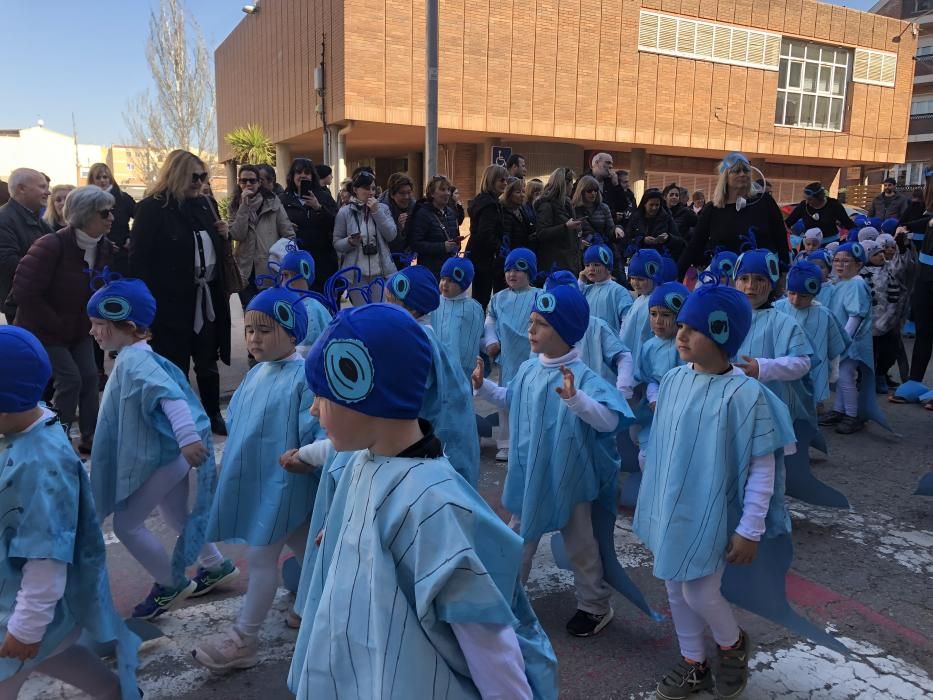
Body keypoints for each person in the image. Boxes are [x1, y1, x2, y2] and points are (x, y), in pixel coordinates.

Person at [289, 303, 557, 700]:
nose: (313, 409)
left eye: (322, 395)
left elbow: (483, 631)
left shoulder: (431, 501)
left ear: (366, 393)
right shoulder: (364, 461)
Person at [633, 279, 795, 700]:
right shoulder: (672, 380)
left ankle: (732, 644)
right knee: (673, 583)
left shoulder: (746, 394)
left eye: (694, 328)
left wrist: (750, 528)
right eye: (681, 324)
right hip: (673, 508)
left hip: (715, 512)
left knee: (699, 590)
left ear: (723, 333)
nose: (680, 334)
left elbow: (763, 467)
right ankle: (693, 663)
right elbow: (665, 444)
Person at [473, 283, 633, 637]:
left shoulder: (584, 378)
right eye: (532, 322)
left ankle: (594, 606)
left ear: (564, 331)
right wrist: (484, 387)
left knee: (581, 545)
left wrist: (577, 400)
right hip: (531, 475)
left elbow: (609, 421)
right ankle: (508, 598)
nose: (530, 330)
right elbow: (509, 397)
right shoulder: (530, 369)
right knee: (519, 538)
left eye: (540, 324)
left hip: (570, 477)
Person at [0, 327, 139, 700]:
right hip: (22, 600)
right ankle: (116, 693)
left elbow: (46, 555)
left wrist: (26, 628)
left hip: (21, 608)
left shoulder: (39, 466)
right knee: (55, 654)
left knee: (22, 662)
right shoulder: (29, 421)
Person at [86, 276, 235, 620]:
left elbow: (170, 398)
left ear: (128, 324)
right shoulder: (134, 357)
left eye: (98, 324)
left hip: (165, 456)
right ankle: (215, 565)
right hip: (169, 454)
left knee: (127, 525)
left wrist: (187, 439)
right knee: (175, 514)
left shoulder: (136, 363)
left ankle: (169, 583)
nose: (93, 332)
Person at [193, 287, 323, 672]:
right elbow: (237, 421)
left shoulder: (304, 377)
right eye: (250, 330)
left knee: (263, 557)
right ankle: (318, 607)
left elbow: (316, 428)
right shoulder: (256, 375)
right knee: (308, 549)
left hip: (284, 485)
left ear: (293, 333)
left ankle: (244, 639)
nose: (254, 338)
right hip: (263, 483)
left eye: (265, 330)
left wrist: (306, 457)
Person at [129, 149, 231, 435]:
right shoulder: (152, 208)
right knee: (174, 364)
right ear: (176, 175)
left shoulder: (205, 205)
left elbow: (213, 251)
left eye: (204, 176)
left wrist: (223, 236)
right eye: (194, 177)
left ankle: (212, 413)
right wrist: (144, 308)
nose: (200, 182)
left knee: (207, 361)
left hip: (206, 296)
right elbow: (138, 260)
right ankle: (181, 418)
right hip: (170, 302)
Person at [12, 186, 115, 454]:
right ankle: (59, 440)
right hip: (43, 330)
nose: (111, 218)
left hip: (77, 329)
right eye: (105, 213)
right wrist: (55, 322)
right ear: (85, 215)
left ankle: (91, 436)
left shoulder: (103, 246)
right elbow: (24, 292)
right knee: (70, 381)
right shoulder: (50, 245)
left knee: (91, 378)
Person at [385, 264, 481, 487]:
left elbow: (403, 398)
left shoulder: (415, 342)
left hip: (440, 443)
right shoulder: (421, 335)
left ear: (413, 309)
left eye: (390, 302)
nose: (386, 307)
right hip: (445, 438)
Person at [731, 250, 814, 433]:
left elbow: (802, 362)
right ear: (735, 281)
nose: (750, 285)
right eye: (744, 278)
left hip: (770, 405)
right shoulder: (725, 318)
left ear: (772, 283)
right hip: (732, 404)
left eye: (760, 279)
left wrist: (763, 368)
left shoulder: (784, 322)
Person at [679, 153, 789, 279]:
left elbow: (781, 239)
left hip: (762, 277)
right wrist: (677, 276)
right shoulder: (713, 209)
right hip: (725, 277)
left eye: (746, 170)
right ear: (725, 176)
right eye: (736, 171)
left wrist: (783, 272)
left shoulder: (765, 202)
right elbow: (695, 245)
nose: (742, 174)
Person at [484, 248, 540, 461]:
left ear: (530, 272)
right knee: (505, 400)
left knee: (531, 399)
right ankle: (506, 443)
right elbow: (490, 320)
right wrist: (490, 340)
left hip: (533, 356)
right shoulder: (498, 298)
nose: (512, 274)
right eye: (508, 270)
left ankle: (531, 439)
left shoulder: (539, 296)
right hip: (508, 358)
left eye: (519, 269)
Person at [774, 262, 849, 410]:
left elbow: (834, 346)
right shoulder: (777, 308)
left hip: (813, 370)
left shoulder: (823, 314)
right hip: (782, 365)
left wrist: (833, 370)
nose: (796, 300)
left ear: (815, 293)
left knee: (810, 406)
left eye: (803, 296)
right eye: (791, 293)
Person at [632, 282, 689, 468]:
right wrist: (654, 398)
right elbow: (649, 379)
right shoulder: (649, 346)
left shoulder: (687, 345)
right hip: (656, 413)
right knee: (647, 456)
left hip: (684, 409)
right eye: (653, 314)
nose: (658, 321)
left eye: (666, 315)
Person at [819, 242, 872, 433]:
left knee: (845, 377)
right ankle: (839, 410)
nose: (840, 264)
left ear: (858, 264)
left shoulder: (856, 284)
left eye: (846, 261)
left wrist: (842, 341)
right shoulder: (843, 282)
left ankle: (852, 415)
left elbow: (856, 315)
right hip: (842, 340)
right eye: (837, 260)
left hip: (850, 342)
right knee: (841, 377)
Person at [229, 163, 295, 309]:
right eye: (243, 181)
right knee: (250, 316)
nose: (248, 184)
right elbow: (237, 235)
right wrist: (243, 207)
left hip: (269, 270)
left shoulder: (273, 202)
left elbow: (288, 234)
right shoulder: (235, 204)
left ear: (259, 182)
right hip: (245, 271)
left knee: (269, 316)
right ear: (238, 183)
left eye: (252, 180)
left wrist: (278, 259)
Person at [333, 170, 398, 303]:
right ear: (356, 190)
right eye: (366, 188)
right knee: (361, 315)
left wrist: (376, 212)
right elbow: (337, 243)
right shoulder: (345, 212)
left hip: (380, 272)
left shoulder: (383, 208)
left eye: (373, 189)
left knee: (379, 311)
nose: (371, 192)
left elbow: (391, 235)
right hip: (356, 274)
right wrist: (349, 242)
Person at [0, 168, 52, 323]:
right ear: (21, 189)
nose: (48, 192)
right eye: (42, 187)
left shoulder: (35, 218)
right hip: (22, 307)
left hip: (38, 302)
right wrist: (50, 268)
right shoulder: (4, 220)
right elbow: (7, 262)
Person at [280, 157, 339, 292]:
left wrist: (319, 208)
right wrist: (286, 226)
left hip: (323, 260)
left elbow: (337, 223)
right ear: (292, 176)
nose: (302, 176)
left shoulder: (324, 197)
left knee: (323, 301)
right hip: (294, 260)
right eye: (298, 172)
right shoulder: (283, 199)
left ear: (312, 176)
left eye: (307, 172)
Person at [272, 245, 333, 357]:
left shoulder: (317, 308)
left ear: (307, 276)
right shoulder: (279, 307)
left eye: (296, 276)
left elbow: (331, 338)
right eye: (285, 275)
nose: (290, 280)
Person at [431, 256, 484, 378]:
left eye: (451, 280)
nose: (444, 284)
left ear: (463, 284)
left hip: (463, 370)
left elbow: (477, 336)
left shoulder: (473, 308)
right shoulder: (434, 304)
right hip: (437, 366)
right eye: (443, 279)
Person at [466, 164, 509, 309]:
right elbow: (485, 233)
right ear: (491, 181)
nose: (504, 184)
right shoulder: (489, 204)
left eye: (506, 180)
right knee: (481, 299)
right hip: (484, 259)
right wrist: (500, 247)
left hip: (479, 256)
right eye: (501, 180)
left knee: (480, 298)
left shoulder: (485, 201)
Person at [408, 175, 462, 278]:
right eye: (442, 190)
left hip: (449, 269)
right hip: (430, 272)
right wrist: (442, 247)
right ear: (432, 193)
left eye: (448, 190)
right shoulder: (423, 214)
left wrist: (456, 244)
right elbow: (415, 244)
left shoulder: (451, 212)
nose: (447, 193)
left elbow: (455, 236)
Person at [88, 162, 136, 274]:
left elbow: (141, 220)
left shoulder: (123, 198)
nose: (102, 181)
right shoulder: (87, 201)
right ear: (92, 180)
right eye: (98, 177)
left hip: (121, 253)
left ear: (110, 179)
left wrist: (131, 237)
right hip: (96, 254)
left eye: (105, 177)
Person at [534, 167, 582, 276]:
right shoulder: (546, 205)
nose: (572, 187)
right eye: (571, 183)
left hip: (568, 262)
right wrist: (565, 227)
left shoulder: (566, 204)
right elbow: (541, 233)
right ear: (566, 184)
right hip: (554, 264)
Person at [580, 244, 633, 334]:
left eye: (596, 265)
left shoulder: (618, 291)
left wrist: (621, 341)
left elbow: (628, 319)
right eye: (587, 265)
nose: (591, 269)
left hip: (610, 344)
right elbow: (575, 302)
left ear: (608, 269)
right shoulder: (587, 289)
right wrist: (581, 281)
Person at [620, 248, 663, 354]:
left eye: (640, 279)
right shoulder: (639, 300)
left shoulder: (657, 303)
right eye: (632, 278)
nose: (635, 283)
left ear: (655, 277)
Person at [785, 182, 855, 245]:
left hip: (831, 243)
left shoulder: (834, 205)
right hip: (809, 244)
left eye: (810, 199)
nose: (807, 202)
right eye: (806, 199)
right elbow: (788, 222)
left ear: (819, 198)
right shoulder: (803, 206)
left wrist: (854, 235)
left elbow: (847, 223)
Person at [627, 188, 683, 259]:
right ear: (644, 204)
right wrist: (642, 240)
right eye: (651, 205)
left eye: (657, 205)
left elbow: (679, 241)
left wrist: (668, 238)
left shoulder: (666, 218)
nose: (654, 208)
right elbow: (627, 238)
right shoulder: (635, 217)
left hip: (660, 258)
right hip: (638, 258)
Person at [572, 175, 615, 246]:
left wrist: (618, 228)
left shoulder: (604, 208)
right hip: (580, 250)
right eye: (589, 190)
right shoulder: (574, 209)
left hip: (599, 248)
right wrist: (579, 242)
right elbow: (569, 234)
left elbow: (610, 231)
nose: (593, 193)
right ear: (581, 191)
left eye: (595, 190)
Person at [378, 172, 415, 254]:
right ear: (392, 194)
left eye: (409, 192)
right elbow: (385, 242)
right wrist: (399, 229)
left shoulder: (414, 206)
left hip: (409, 257)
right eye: (402, 193)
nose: (406, 197)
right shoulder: (381, 210)